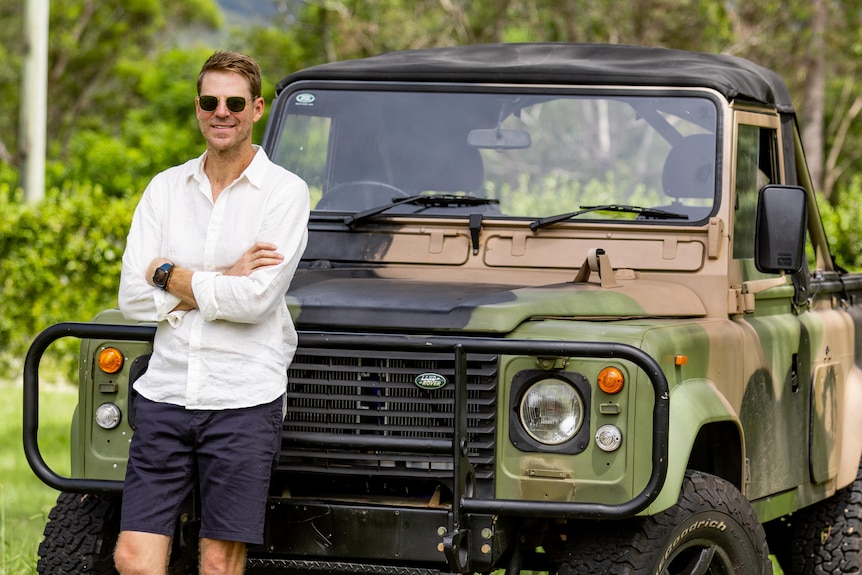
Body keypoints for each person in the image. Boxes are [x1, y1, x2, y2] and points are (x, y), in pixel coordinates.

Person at [113, 50, 309, 575]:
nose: (221, 112)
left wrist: (169, 275)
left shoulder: (285, 193)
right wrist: (225, 271)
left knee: (220, 562)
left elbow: (256, 301)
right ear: (198, 108)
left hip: (243, 397)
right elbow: (132, 298)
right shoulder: (164, 189)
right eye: (209, 101)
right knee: (132, 556)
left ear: (257, 108)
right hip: (166, 391)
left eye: (234, 102)